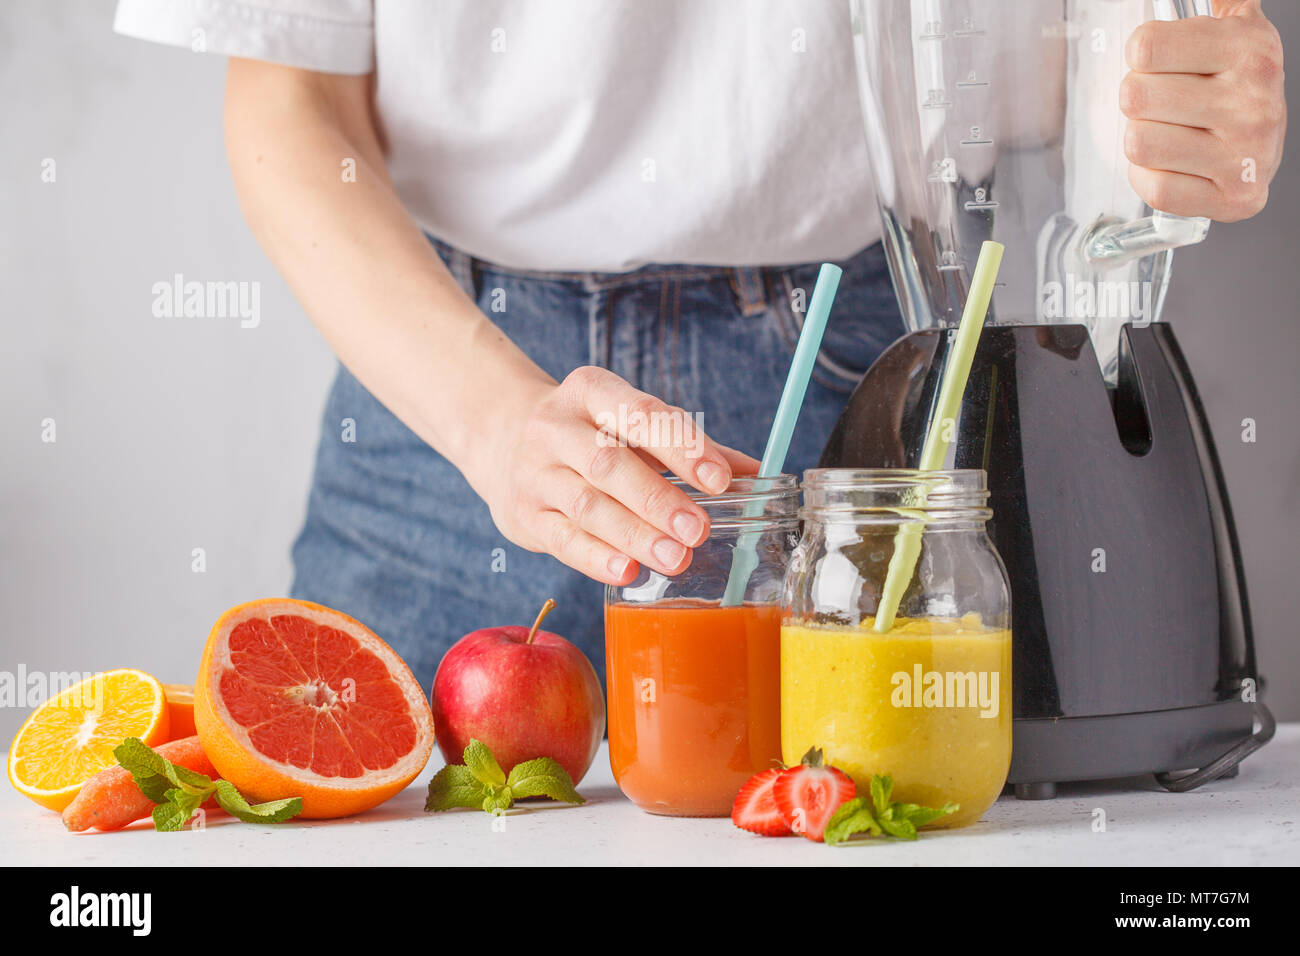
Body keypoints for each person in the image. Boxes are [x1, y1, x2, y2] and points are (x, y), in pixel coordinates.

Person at [114, 0, 1285, 693]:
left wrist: (1178, 108)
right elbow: (288, 103)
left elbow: (1087, 48)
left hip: (864, 372)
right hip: (454, 394)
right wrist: (489, 417)